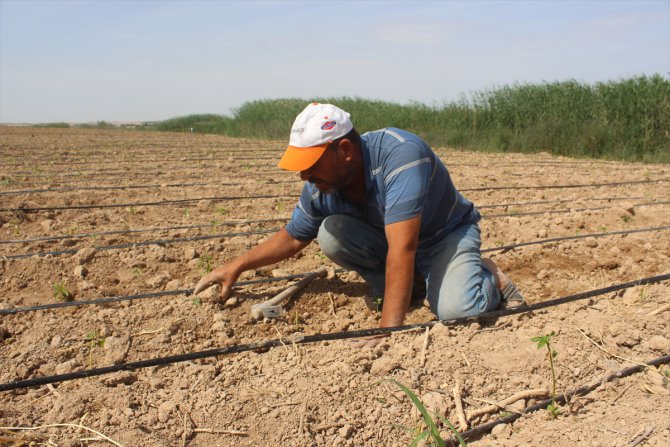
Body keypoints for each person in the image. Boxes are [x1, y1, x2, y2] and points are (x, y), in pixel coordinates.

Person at [194, 102, 524, 347]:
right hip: (394, 242)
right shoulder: (320, 185)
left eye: (311, 165)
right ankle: (411, 288)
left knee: (457, 313)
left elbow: (403, 247)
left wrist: (386, 330)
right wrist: (236, 266)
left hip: (443, 237)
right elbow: (294, 237)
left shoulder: (402, 156)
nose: (304, 176)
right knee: (331, 234)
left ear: (346, 150)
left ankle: (489, 279)